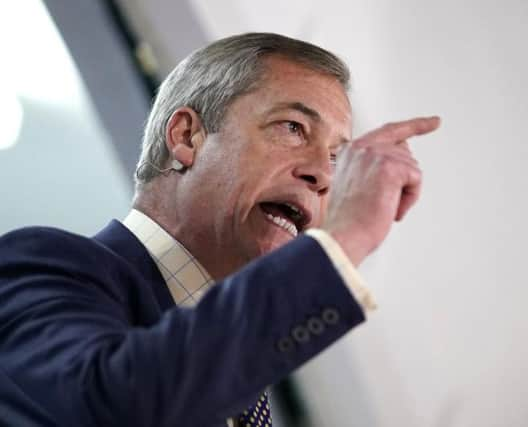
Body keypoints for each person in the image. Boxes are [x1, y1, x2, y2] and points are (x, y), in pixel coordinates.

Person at [0, 33, 440, 426]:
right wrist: (346, 238)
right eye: (293, 127)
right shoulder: (40, 263)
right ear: (187, 136)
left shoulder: (243, 377)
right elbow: (116, 403)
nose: (323, 177)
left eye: (335, 158)